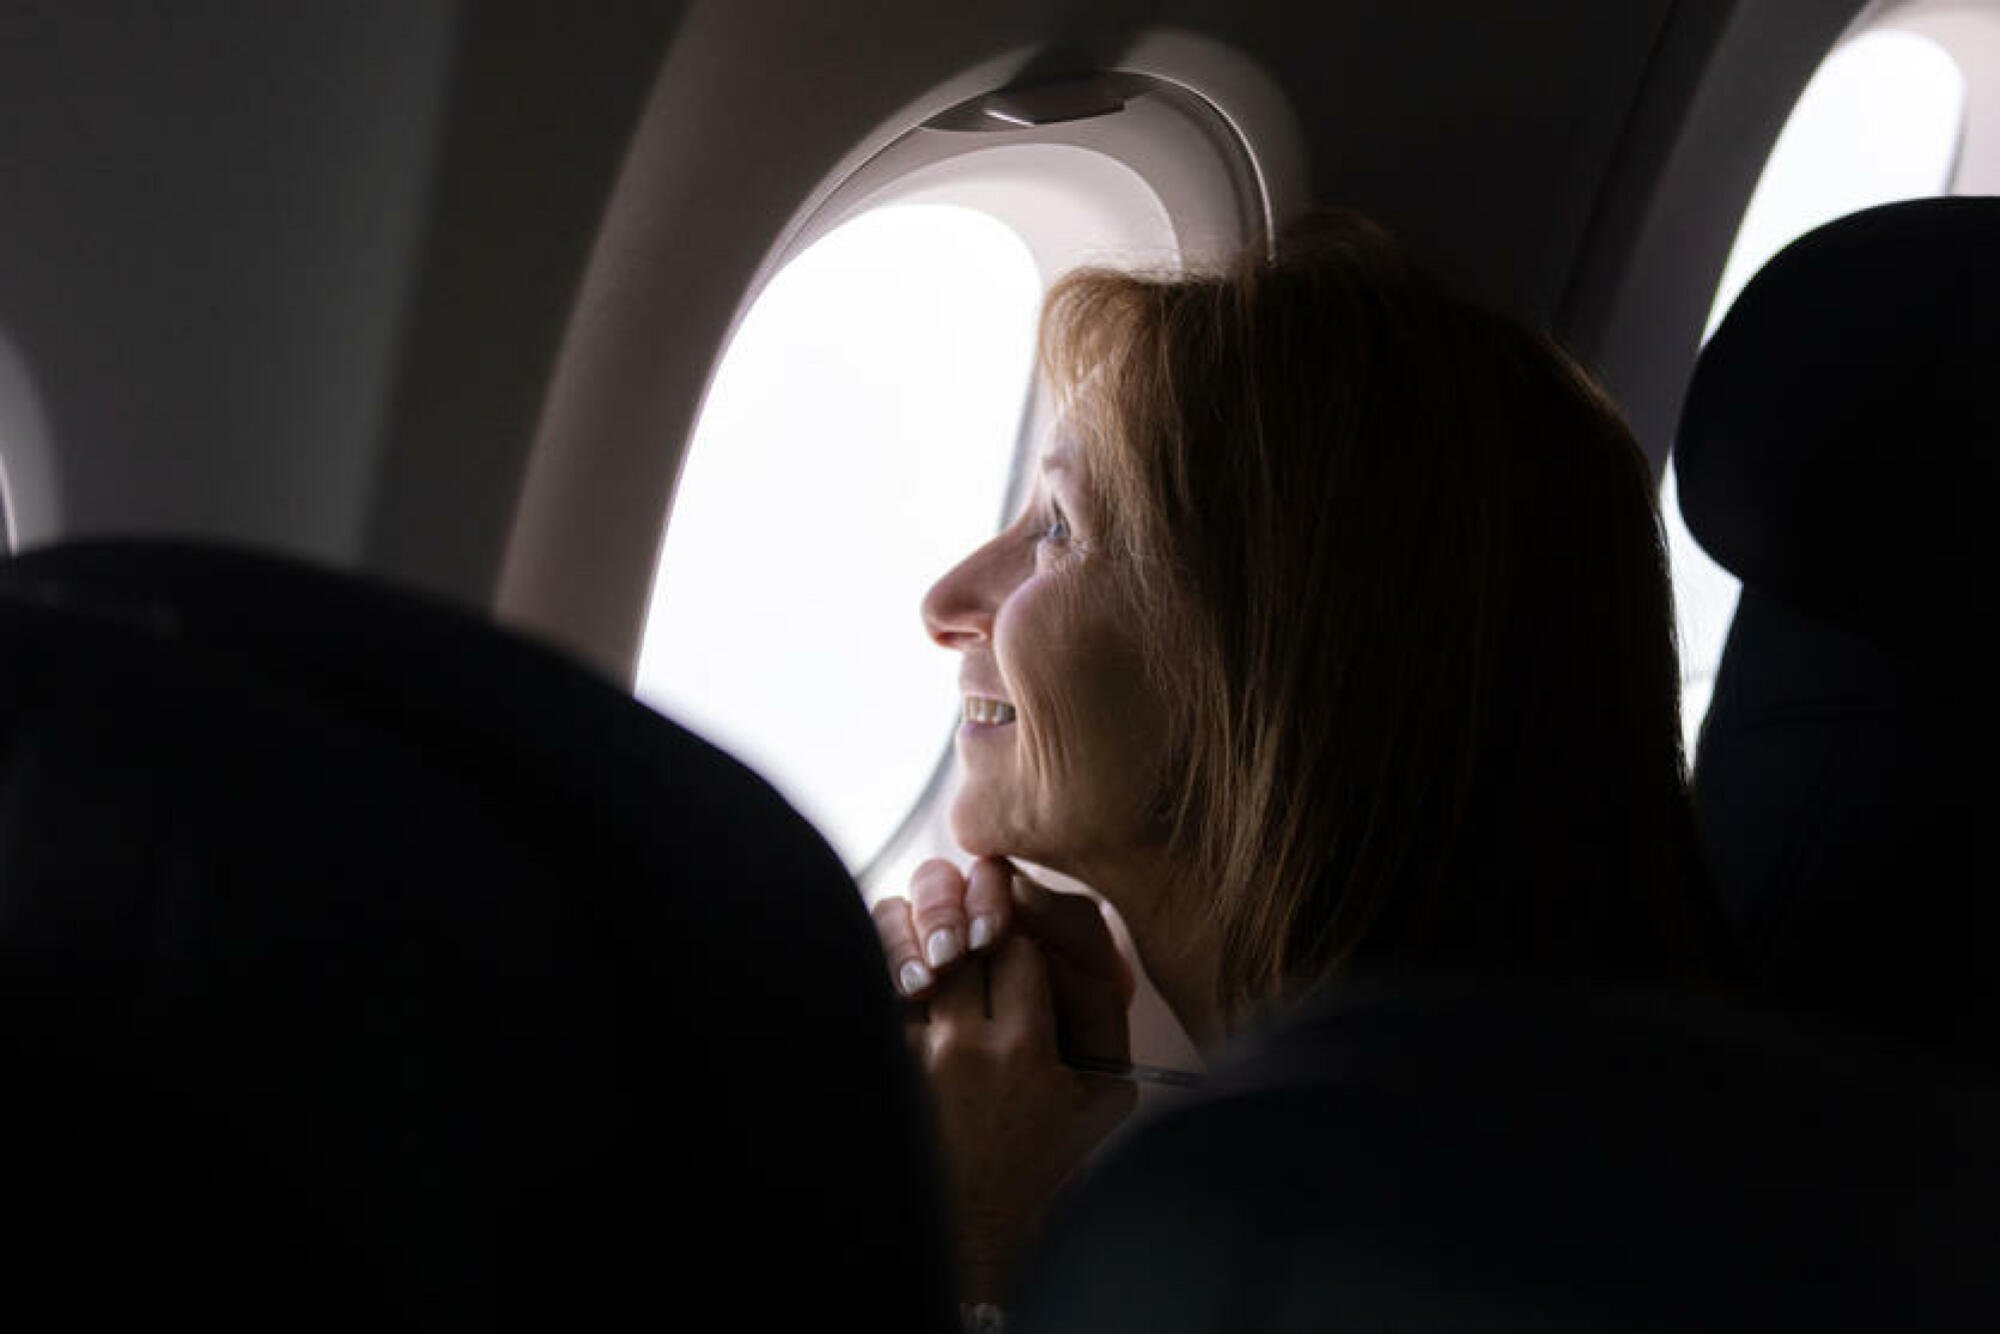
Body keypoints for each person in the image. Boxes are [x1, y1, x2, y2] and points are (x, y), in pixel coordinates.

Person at [872, 210, 1730, 1308]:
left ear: (1272, 658)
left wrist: (961, 1235)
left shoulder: (1429, 1243)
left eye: (1059, 528)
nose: (945, 602)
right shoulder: (1473, 1121)